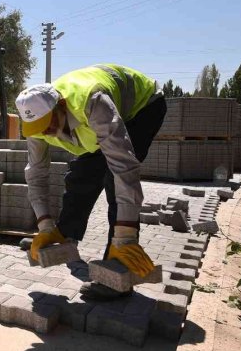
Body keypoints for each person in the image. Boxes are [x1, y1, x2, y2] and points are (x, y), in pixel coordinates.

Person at [15, 64, 167, 300]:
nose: (48, 133)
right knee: (80, 177)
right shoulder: (37, 126)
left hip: (142, 107)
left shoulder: (92, 102)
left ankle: (118, 269)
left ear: (61, 106)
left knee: (112, 181)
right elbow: (35, 173)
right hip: (93, 120)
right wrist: (45, 224)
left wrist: (124, 233)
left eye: (51, 125)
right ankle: (64, 236)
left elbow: (124, 167)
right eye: (40, 130)